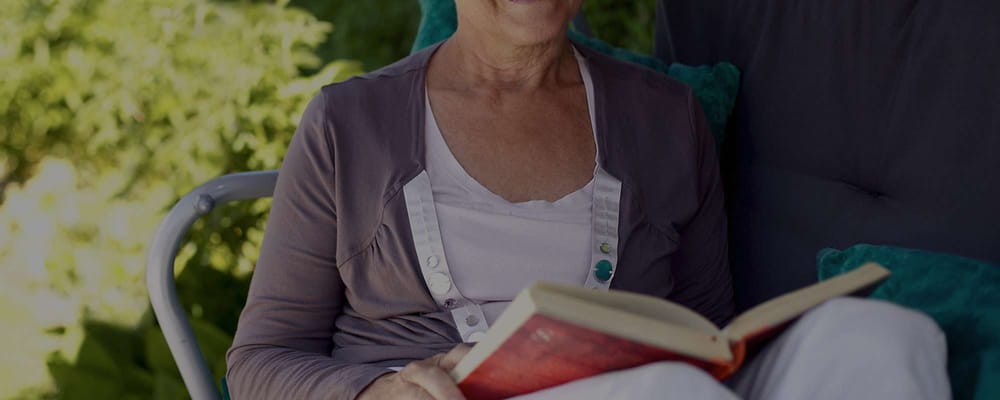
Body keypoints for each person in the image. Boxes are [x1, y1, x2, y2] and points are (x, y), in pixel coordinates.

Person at [226, 1, 950, 399]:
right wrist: (375, 393)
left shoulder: (667, 117)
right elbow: (260, 359)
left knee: (880, 335)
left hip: (652, 388)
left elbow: (707, 329)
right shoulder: (348, 123)